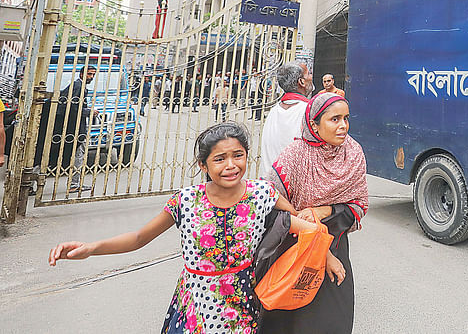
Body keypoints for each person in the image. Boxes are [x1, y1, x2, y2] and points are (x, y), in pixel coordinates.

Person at [48, 122, 345, 334]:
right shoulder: (186, 201)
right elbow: (140, 237)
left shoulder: (262, 194)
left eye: (238, 155)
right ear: (204, 165)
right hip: (194, 304)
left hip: (242, 303)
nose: (231, 165)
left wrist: (326, 256)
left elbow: (301, 226)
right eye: (220, 159)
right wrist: (90, 249)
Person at [261, 93, 368, 334]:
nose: (343, 126)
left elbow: (359, 206)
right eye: (334, 119)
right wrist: (307, 225)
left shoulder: (353, 153)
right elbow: (268, 203)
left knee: (332, 320)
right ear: (314, 125)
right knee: (291, 322)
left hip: (336, 248)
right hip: (295, 251)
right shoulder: (295, 155)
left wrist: (325, 210)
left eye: (346, 119)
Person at [258, 62, 313, 177]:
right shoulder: (307, 111)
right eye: (308, 74)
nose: (311, 77)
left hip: (271, 184)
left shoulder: (274, 111)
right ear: (301, 82)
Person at [58, 65, 98, 194]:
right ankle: (74, 184)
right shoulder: (78, 87)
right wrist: (89, 112)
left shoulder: (78, 86)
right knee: (78, 155)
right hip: (75, 127)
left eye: (93, 75)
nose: (91, 77)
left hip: (70, 127)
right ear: (81, 74)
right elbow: (74, 108)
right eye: (89, 74)